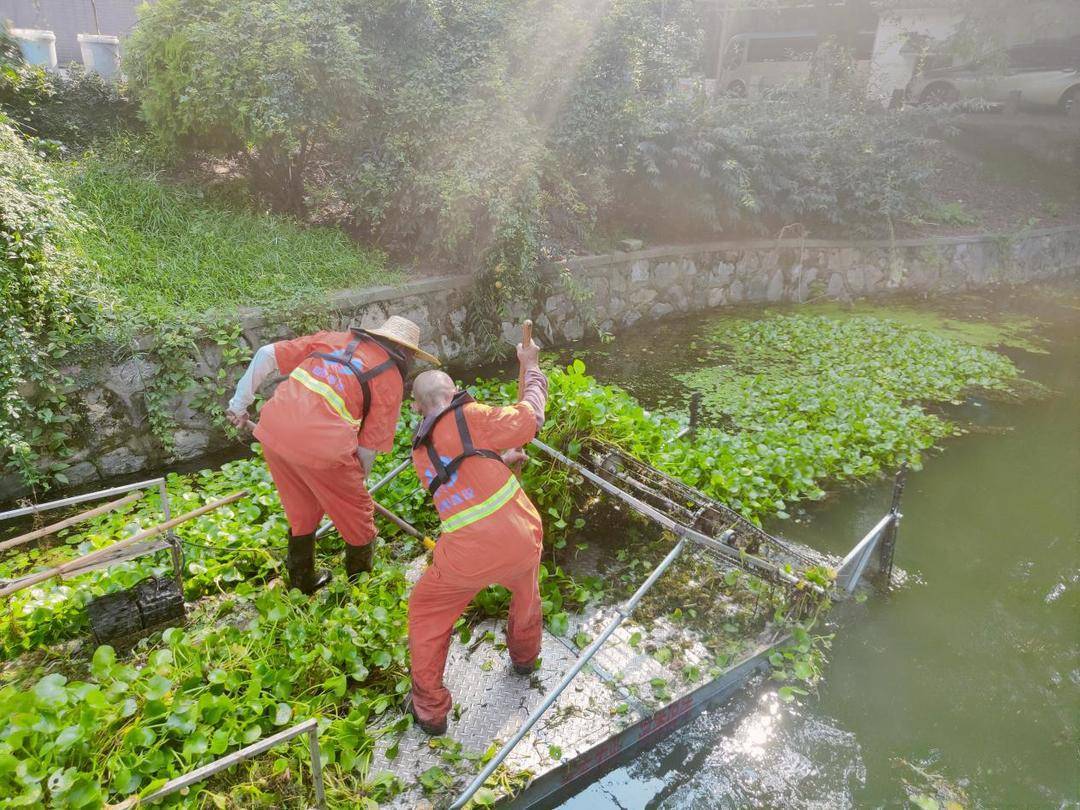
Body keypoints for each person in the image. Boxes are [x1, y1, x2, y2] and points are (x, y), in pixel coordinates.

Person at [226, 316, 439, 593]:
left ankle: (302, 582)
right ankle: (358, 588)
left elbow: (266, 354)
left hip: (274, 430)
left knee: (301, 508)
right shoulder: (390, 378)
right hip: (324, 448)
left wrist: (239, 404)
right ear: (407, 353)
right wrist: (353, 486)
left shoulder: (334, 339)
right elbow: (368, 447)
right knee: (358, 519)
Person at [405, 339, 548, 735]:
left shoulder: (421, 453)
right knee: (526, 592)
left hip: (466, 557)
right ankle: (525, 659)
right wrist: (532, 368)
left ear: (417, 408)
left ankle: (431, 712)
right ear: (453, 393)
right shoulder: (473, 416)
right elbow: (530, 417)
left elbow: (456, 478)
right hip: (521, 536)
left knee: (426, 613)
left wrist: (495, 462)